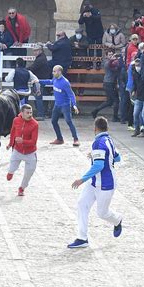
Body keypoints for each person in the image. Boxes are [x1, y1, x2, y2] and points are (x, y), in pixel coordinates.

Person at [68, 117, 122, 248]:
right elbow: (118, 157)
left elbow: (99, 166)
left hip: (105, 184)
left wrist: (82, 179)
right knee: (82, 204)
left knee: (102, 213)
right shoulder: (109, 140)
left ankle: (117, 219)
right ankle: (82, 238)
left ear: (95, 128)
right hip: (94, 182)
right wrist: (95, 155)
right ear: (107, 128)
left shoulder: (98, 143)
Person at [40, 65, 80, 146]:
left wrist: (74, 105)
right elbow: (50, 82)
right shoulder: (55, 79)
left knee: (69, 121)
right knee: (53, 121)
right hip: (57, 105)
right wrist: (38, 81)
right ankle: (59, 139)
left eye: (54, 71)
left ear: (59, 72)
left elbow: (71, 94)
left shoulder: (65, 82)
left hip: (65, 105)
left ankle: (76, 139)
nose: (53, 73)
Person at [6, 104, 39, 196]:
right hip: (17, 150)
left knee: (29, 172)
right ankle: (10, 172)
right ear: (22, 113)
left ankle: (22, 188)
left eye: (31, 112)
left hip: (30, 152)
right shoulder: (16, 120)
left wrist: (22, 141)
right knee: (12, 166)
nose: (30, 115)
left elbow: (33, 141)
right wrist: (10, 144)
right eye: (27, 113)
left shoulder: (35, 124)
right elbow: (13, 132)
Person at [91, 51, 120, 121]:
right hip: (109, 83)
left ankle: (95, 111)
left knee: (109, 101)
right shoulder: (107, 63)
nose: (111, 56)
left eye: (112, 54)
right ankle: (115, 117)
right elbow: (113, 67)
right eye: (109, 55)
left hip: (110, 83)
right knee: (115, 100)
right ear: (106, 56)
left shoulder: (111, 63)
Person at [27, 43, 51, 120]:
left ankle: (40, 114)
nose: (34, 52)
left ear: (40, 51)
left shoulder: (40, 59)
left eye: (36, 51)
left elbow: (33, 68)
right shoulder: (42, 58)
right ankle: (41, 113)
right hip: (41, 79)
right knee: (39, 97)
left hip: (39, 80)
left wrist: (24, 70)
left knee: (38, 97)